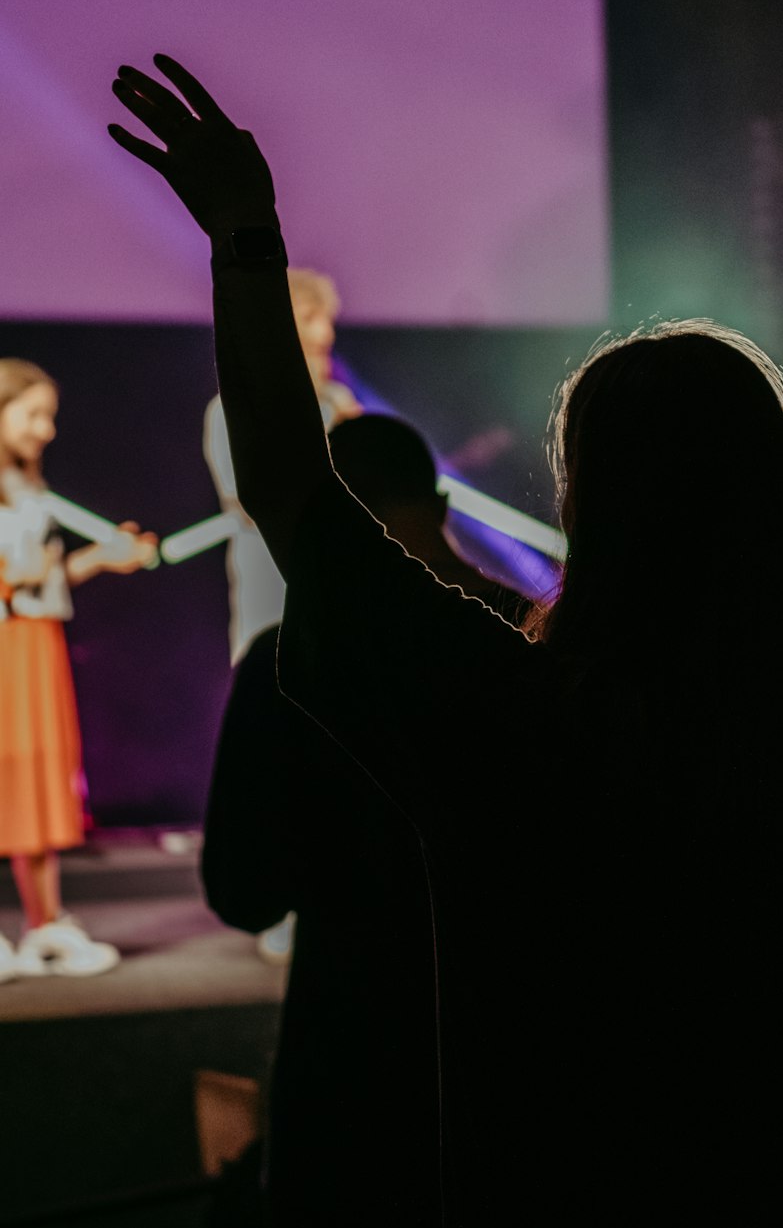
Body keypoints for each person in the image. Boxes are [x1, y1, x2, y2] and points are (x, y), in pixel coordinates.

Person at [111, 62, 783, 1224]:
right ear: (780, 495)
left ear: (584, 513)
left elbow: (288, 490)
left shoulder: (514, 718)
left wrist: (246, 241)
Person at [201, 414, 528, 1224]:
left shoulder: (287, 664)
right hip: (520, 1059)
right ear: (442, 501)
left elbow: (243, 891)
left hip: (346, 1068)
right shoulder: (539, 637)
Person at [0, 359, 157, 981]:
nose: (45, 430)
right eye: (32, 414)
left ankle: (45, 923)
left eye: (50, 417)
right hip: (7, 648)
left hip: (37, 646)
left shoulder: (28, 490)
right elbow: (20, 577)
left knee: (41, 774)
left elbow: (45, 579)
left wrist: (101, 559)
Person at [204, 267, 360, 669]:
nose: (325, 335)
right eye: (309, 319)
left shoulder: (338, 403)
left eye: (327, 320)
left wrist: (359, 440)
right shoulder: (232, 410)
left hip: (338, 572)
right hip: (269, 574)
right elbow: (249, 499)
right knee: (273, 679)